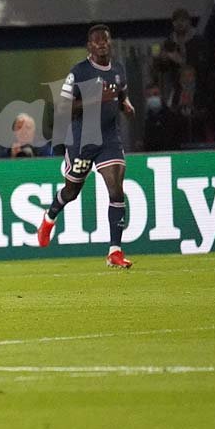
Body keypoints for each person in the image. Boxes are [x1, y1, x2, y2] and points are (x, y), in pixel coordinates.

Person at [37, 25, 136, 269]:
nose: (102, 43)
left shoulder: (118, 70)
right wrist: (95, 99)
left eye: (105, 40)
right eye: (96, 41)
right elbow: (63, 109)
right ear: (89, 46)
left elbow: (121, 95)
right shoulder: (79, 72)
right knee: (71, 192)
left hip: (109, 138)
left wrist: (126, 105)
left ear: (110, 43)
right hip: (82, 140)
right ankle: (49, 217)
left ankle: (115, 251)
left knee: (116, 190)